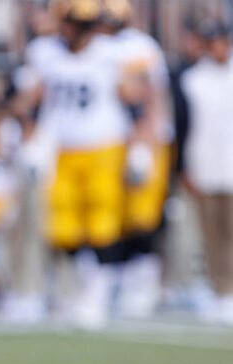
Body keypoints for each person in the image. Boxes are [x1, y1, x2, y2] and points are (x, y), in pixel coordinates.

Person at [20, 0, 146, 329]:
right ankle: (79, 290)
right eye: (74, 23)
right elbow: (35, 99)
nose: (79, 31)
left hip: (105, 146)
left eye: (84, 24)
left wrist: (139, 148)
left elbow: (132, 100)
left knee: (103, 222)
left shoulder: (111, 53)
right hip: (63, 149)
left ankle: (99, 295)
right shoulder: (46, 52)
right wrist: (33, 142)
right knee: (64, 225)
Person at [100, 0, 173, 319]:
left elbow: (150, 94)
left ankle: (143, 284)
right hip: (114, 140)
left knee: (144, 215)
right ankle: (121, 280)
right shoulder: (103, 47)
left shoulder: (138, 46)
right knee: (117, 214)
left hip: (140, 139)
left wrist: (144, 140)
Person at [180, 21, 233, 326]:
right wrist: (186, 167)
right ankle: (222, 290)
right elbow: (187, 128)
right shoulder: (193, 79)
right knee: (213, 235)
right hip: (206, 167)